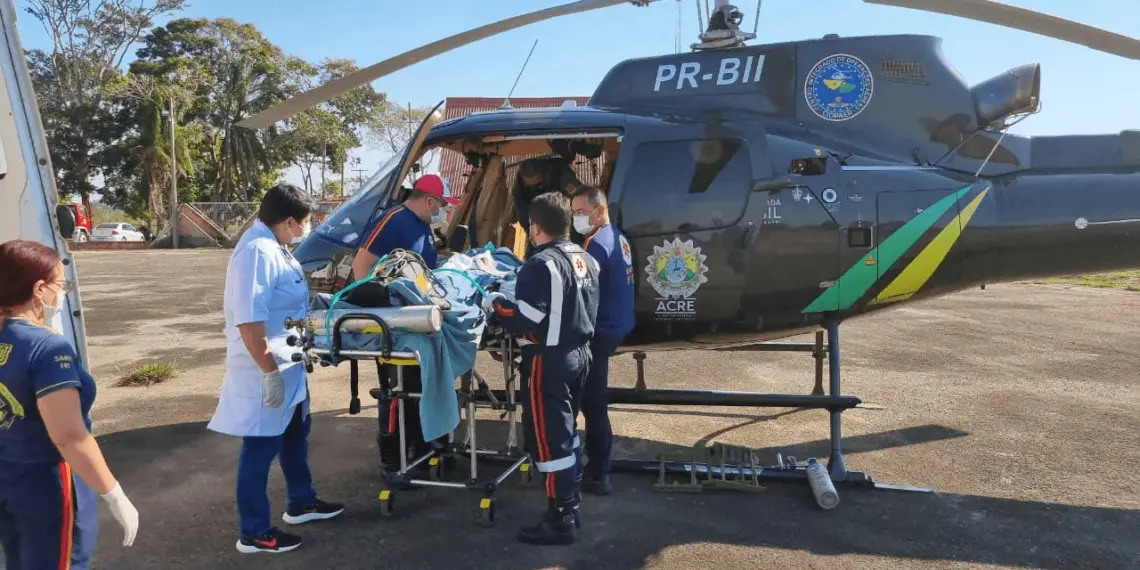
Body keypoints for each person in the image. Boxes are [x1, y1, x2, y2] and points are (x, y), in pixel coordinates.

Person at [206, 183, 344, 555]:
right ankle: (254, 532)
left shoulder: (274, 247)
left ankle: (301, 502)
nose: (305, 229)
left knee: (296, 435)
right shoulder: (256, 252)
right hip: (265, 366)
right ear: (287, 221)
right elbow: (249, 323)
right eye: (304, 222)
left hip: (289, 362)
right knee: (260, 447)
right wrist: (268, 373)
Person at [0, 239, 139, 569]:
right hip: (48, 485)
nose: (63, 292)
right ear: (39, 289)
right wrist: (114, 494)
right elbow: (69, 436)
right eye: (60, 284)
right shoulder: (47, 348)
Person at [483, 192, 600, 546]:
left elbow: (525, 319)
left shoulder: (540, 264)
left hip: (549, 360)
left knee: (551, 442)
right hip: (581, 354)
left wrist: (495, 303)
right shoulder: (585, 258)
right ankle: (570, 507)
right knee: (566, 434)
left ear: (534, 226)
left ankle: (560, 519)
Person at [351, 174, 459, 476]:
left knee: (422, 386)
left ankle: (424, 448)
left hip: (421, 322)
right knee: (398, 390)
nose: (443, 212)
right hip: (396, 325)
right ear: (428, 200)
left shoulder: (423, 227)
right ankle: (394, 458)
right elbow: (362, 268)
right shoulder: (394, 220)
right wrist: (388, 306)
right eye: (442, 206)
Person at [570, 186, 635, 496]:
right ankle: (597, 467)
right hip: (616, 325)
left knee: (592, 404)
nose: (576, 218)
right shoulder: (617, 236)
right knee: (594, 401)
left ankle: (598, 472)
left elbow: (581, 296)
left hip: (598, 332)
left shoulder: (595, 245)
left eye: (580, 212)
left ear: (599, 210)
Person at [512, 157, 580, 255]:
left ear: (544, 174)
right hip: (537, 227)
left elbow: (576, 197)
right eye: (530, 185)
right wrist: (533, 231)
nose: (534, 188)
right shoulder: (520, 183)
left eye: (538, 185)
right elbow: (521, 211)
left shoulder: (559, 173)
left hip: (562, 225)